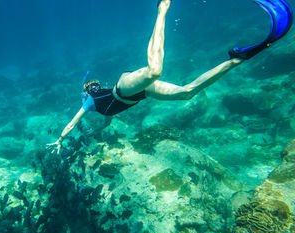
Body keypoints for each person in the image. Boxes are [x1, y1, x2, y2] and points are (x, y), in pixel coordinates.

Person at [48, 0, 293, 154]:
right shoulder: (101, 112)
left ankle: (162, 7)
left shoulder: (88, 102)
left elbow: (72, 123)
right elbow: (107, 121)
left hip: (123, 88)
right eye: (91, 85)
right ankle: (237, 60)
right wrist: (96, 134)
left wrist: (60, 139)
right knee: (186, 93)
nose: (92, 86)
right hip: (138, 95)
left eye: (91, 85)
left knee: (155, 70)